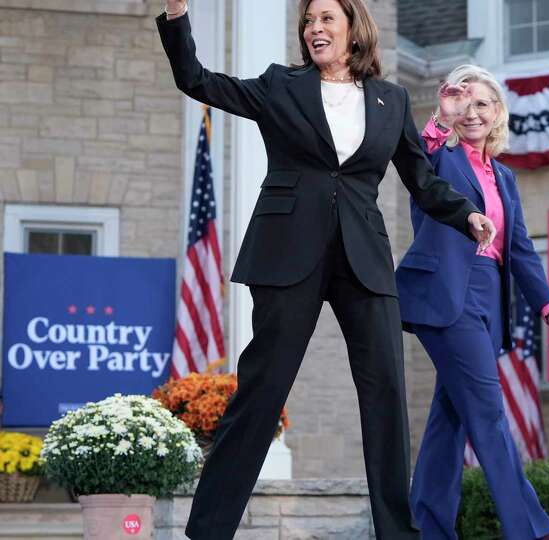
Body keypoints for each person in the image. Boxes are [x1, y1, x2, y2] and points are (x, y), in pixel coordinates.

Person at [156, 1, 497, 539]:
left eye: (326, 19)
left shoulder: (391, 99)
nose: (315, 28)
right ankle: (208, 531)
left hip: (364, 256)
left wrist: (466, 213)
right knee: (262, 392)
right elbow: (195, 79)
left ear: (353, 30)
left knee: (386, 389)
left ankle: (397, 533)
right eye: (309, 22)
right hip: (287, 251)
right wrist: (177, 15)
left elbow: (421, 179)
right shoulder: (279, 86)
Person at [396, 64, 549, 540]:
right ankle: (532, 530)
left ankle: (427, 529)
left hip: (485, 299)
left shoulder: (504, 177)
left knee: (450, 418)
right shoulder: (440, 157)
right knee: (488, 410)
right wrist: (440, 117)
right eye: (464, 103)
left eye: (482, 103)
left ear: (497, 112)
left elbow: (519, 250)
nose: (472, 113)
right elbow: (417, 154)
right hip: (445, 297)